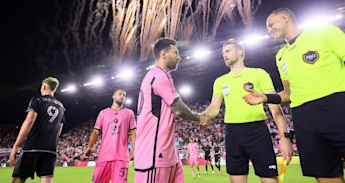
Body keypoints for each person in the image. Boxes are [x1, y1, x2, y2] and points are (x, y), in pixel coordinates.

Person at [243, 8, 345, 182]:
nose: (268, 30)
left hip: (336, 107)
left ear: (285, 18)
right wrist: (266, 98)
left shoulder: (324, 32)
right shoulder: (281, 56)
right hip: (304, 118)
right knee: (325, 175)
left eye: (270, 24)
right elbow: (289, 93)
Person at [203, 40, 293, 183]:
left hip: (257, 131)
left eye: (228, 51)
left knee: (269, 179)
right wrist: (204, 115)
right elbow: (214, 108)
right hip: (232, 133)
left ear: (240, 52)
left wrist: (284, 137)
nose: (224, 55)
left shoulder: (259, 74)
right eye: (222, 53)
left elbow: (275, 108)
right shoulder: (220, 81)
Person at [134, 38, 208, 183]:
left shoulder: (161, 76)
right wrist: (200, 118)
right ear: (163, 54)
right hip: (154, 154)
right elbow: (178, 109)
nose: (179, 57)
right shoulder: (158, 76)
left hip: (168, 153)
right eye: (176, 53)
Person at [9, 77, 65, 183]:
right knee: (47, 179)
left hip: (32, 146)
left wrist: (16, 146)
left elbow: (29, 121)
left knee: (18, 179)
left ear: (43, 86)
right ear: (55, 89)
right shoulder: (61, 106)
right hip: (50, 149)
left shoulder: (37, 100)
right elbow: (59, 127)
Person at [84, 88, 136, 183]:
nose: (122, 96)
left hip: (121, 157)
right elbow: (96, 132)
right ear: (113, 96)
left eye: (124, 95)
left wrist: (134, 148)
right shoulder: (103, 113)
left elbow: (133, 132)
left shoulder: (129, 113)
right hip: (104, 156)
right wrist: (89, 147)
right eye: (120, 94)